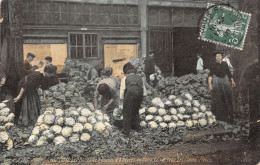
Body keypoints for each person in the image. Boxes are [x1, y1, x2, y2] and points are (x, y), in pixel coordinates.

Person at [120, 62, 147, 137]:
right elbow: (144, 91)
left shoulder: (125, 78)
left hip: (130, 94)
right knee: (136, 111)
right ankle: (137, 128)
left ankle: (126, 131)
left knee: (126, 112)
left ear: (126, 72)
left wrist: (122, 102)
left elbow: (122, 91)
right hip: (139, 94)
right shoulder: (140, 78)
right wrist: (142, 100)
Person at [208, 52, 236, 124]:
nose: (218, 57)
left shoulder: (225, 63)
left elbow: (229, 73)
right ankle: (220, 117)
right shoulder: (213, 64)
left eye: (219, 56)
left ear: (221, 57)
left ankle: (230, 117)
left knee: (228, 97)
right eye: (217, 56)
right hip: (217, 82)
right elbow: (210, 75)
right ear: (215, 57)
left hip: (225, 81)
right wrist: (210, 85)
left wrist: (232, 81)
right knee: (218, 98)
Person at [239, 59, 260, 146]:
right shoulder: (251, 68)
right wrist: (243, 97)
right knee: (254, 117)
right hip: (254, 96)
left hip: (254, 95)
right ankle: (253, 139)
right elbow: (244, 82)